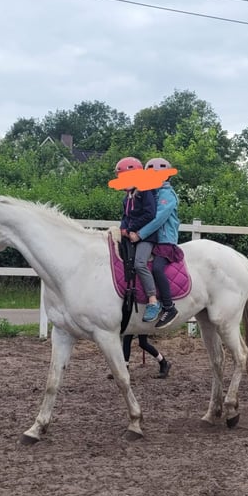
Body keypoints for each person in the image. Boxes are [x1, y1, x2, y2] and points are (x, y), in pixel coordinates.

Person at [132, 158, 181, 329]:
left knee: (158, 268)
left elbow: (158, 219)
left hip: (166, 240)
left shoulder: (167, 195)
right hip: (154, 239)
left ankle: (169, 306)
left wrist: (140, 234)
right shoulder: (153, 193)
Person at [116, 157, 162, 322]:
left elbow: (150, 214)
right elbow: (125, 216)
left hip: (146, 236)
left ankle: (153, 300)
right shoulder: (127, 197)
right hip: (131, 234)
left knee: (139, 263)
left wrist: (131, 229)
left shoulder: (145, 191)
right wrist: (123, 228)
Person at [107, 335, 171, 379]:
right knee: (126, 340)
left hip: (142, 319)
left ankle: (164, 362)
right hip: (133, 319)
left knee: (143, 343)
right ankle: (124, 368)